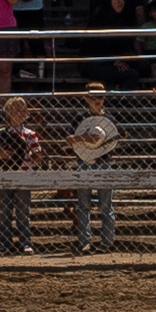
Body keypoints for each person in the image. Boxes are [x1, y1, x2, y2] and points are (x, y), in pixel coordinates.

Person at [68, 82, 119, 254]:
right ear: (86, 98)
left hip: (103, 162)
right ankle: (85, 241)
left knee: (106, 204)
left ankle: (107, 241)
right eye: (94, 97)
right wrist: (84, 138)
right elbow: (68, 139)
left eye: (101, 97)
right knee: (83, 204)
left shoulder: (110, 119)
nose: (98, 101)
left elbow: (114, 142)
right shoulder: (78, 118)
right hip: (84, 160)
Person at [0, 96, 42, 255]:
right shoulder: (0, 134)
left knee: (23, 211)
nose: (19, 114)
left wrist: (30, 152)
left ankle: (25, 242)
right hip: (5, 174)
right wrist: (0, 153)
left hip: (23, 174)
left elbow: (38, 155)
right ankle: (4, 243)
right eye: (15, 111)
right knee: (5, 210)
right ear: (8, 113)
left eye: (22, 111)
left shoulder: (30, 134)